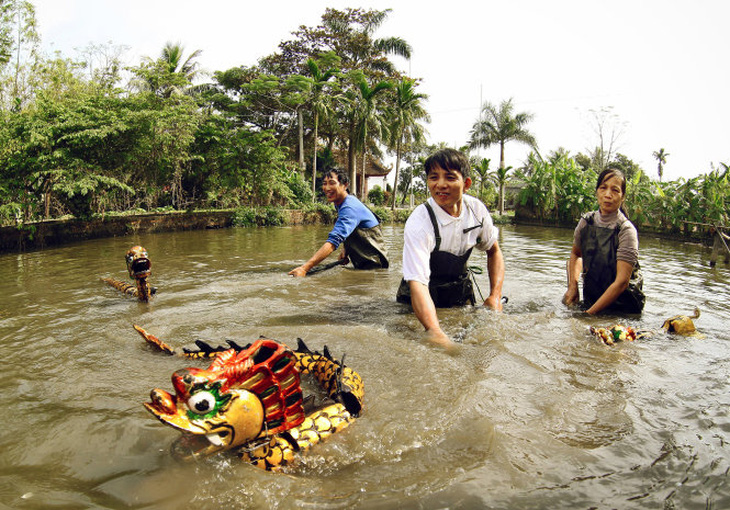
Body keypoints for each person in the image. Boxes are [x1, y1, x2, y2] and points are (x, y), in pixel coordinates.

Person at [396, 148, 505, 350]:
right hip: (418, 296)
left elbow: (494, 251)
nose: (440, 185)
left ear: (466, 184)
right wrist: (434, 331)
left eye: (450, 177)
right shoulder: (420, 221)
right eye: (433, 177)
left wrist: (495, 296)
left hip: (458, 290)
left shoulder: (477, 211)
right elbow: (418, 284)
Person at [562, 167, 645, 314]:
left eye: (615, 190)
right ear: (597, 192)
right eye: (603, 188)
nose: (608, 194)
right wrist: (573, 287)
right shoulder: (586, 222)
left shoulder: (626, 230)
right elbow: (576, 254)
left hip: (623, 309)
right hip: (591, 302)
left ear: (623, 196)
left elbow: (621, 283)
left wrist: (588, 315)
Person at [289, 168, 389, 277]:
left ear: (345, 185)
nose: (327, 188)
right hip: (365, 265)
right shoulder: (340, 203)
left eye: (332, 183)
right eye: (324, 183)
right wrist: (346, 249)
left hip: (375, 270)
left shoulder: (349, 207)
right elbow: (349, 230)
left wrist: (304, 268)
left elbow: (333, 240)